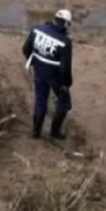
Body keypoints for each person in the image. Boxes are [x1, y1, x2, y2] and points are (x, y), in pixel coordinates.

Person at [22, 9, 74, 140]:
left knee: (40, 101)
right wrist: (66, 84)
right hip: (55, 76)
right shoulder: (65, 42)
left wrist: (34, 62)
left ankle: (36, 132)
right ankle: (54, 132)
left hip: (39, 71)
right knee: (64, 102)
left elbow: (25, 49)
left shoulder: (37, 29)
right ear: (67, 24)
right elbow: (65, 69)